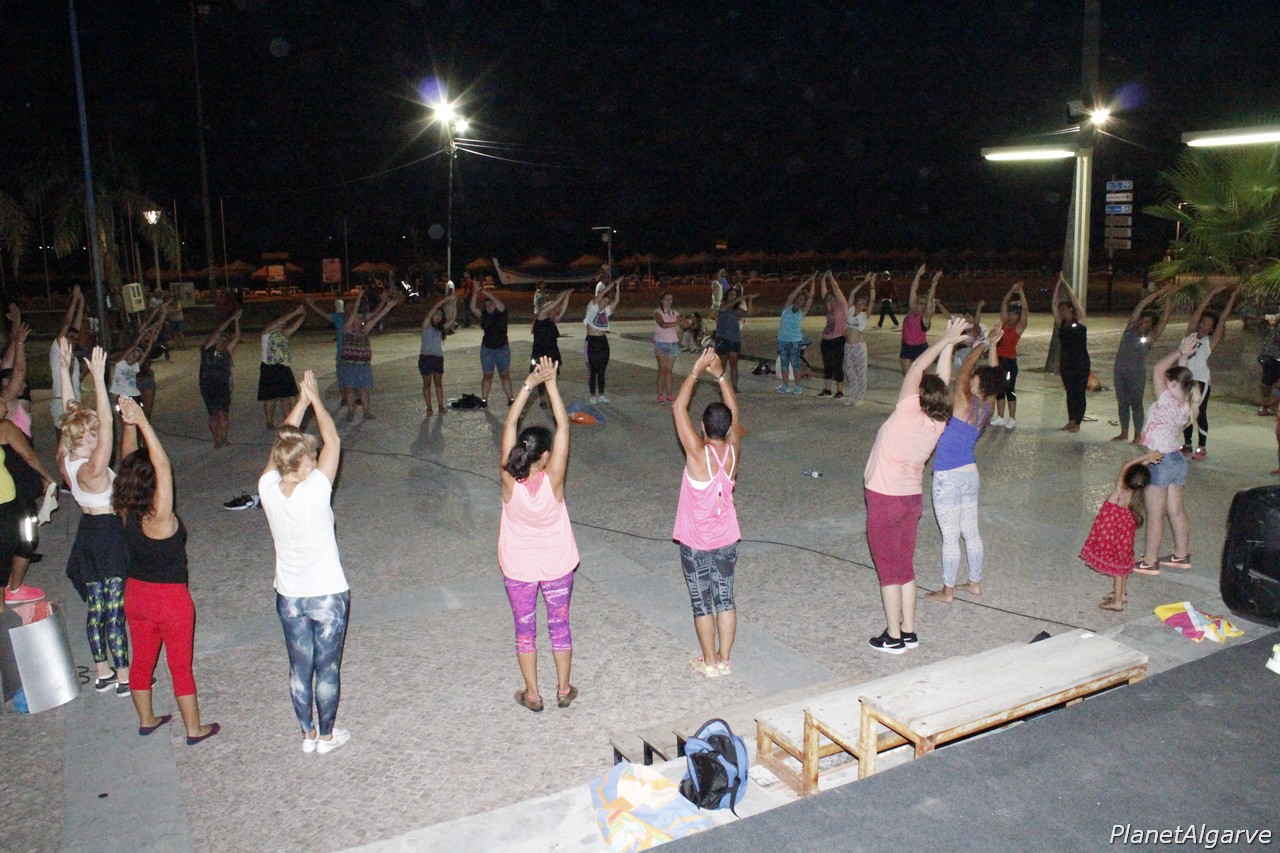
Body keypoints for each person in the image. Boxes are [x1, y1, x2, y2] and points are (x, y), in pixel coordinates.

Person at [113, 398, 219, 743]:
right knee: (179, 666)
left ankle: (147, 719)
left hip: (136, 594)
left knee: (141, 661)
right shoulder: (160, 516)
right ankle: (194, 729)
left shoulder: (127, 507)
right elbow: (162, 464)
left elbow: (128, 460)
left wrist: (128, 423)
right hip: (169, 599)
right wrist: (143, 422)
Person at [259, 371, 352, 754]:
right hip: (326, 594)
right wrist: (315, 400)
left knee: (299, 667)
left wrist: (299, 404)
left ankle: (307, 735)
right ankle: (327, 737)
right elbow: (334, 440)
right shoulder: (315, 489)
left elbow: (278, 447)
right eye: (310, 457)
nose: (315, 460)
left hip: (290, 596)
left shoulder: (267, 487)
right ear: (301, 465)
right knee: (327, 668)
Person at [863, 317, 967, 653]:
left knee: (888, 571)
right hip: (910, 500)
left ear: (918, 395)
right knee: (905, 567)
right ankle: (909, 631)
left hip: (885, 498)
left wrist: (944, 340)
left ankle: (893, 636)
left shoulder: (907, 410)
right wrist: (950, 343)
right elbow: (943, 382)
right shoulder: (938, 422)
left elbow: (919, 365)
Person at [499, 356, 579, 712]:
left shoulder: (508, 480)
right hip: (557, 564)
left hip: (518, 568)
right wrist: (551, 384)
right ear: (545, 457)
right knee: (560, 625)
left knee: (524, 629)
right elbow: (563, 427)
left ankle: (532, 695)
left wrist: (529, 384)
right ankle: (563, 689)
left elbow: (510, 422)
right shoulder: (554, 480)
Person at [57, 340, 132, 695]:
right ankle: (124, 677)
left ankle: (102, 673)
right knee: (113, 611)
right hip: (106, 534)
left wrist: (64, 369)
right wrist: (100, 380)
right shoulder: (91, 470)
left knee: (96, 609)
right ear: (80, 438)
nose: (94, 435)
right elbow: (108, 426)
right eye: (88, 433)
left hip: (88, 533)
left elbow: (68, 411)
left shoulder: (66, 460)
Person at [672, 349, 744, 677]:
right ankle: (724, 659)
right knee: (725, 598)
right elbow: (735, 412)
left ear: (701, 426)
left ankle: (709, 662)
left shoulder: (698, 454)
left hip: (696, 542)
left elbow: (678, 407)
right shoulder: (733, 452)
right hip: (727, 538)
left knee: (702, 602)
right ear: (728, 429)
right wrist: (720, 375)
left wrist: (695, 371)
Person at [925, 327, 1004, 604]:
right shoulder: (987, 406)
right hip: (970, 474)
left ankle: (947, 591)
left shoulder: (963, 400)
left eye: (976, 379)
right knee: (971, 532)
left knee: (950, 536)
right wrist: (993, 346)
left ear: (979, 387)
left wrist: (982, 344)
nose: (971, 379)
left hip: (948, 475)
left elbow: (965, 368)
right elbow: (995, 377)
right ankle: (974, 583)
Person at [1135, 339, 1202, 575]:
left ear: (1172, 384)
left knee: (1155, 515)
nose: (1163, 382)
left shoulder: (1166, 401)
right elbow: (1181, 375)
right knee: (1176, 511)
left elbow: (1158, 368)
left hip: (1159, 460)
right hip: (1176, 460)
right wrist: (1185, 357)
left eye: (1167, 381)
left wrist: (1179, 351)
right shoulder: (1188, 404)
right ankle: (1181, 555)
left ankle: (1149, 561)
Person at [1080, 451, 1162, 612]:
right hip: (1123, 541)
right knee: (1122, 564)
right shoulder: (1136, 498)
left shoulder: (1119, 491)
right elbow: (1136, 475)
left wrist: (1147, 457)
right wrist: (1148, 462)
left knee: (1118, 568)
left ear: (1126, 478)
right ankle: (1121, 594)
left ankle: (1117, 603)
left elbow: (1127, 466)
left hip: (1108, 538)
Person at [0, 398, 56, 606]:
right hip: (18, 494)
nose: (5, 405)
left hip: (13, 494)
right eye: (0, 401)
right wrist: (49, 477)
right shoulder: (5, 427)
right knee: (27, 538)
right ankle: (14, 587)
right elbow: (29, 456)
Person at [1111, 283, 1176, 443]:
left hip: (1136, 373)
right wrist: (1159, 293)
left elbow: (1165, 319)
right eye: (1142, 320)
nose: (1143, 323)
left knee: (1136, 404)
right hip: (1120, 371)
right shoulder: (1130, 328)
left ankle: (1138, 435)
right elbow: (1140, 306)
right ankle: (1124, 432)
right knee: (1122, 403)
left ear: (1151, 324)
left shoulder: (1151, 336)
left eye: (1147, 322)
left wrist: (1169, 299)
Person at [1180, 283, 1239, 459]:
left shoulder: (1209, 342)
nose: (1203, 326)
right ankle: (1187, 444)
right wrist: (1212, 292)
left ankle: (1201, 447)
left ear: (1212, 329)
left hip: (1200, 380)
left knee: (1199, 412)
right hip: (1185, 378)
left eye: (1208, 325)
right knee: (1185, 411)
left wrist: (1233, 296)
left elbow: (1223, 319)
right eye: (1202, 323)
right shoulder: (1190, 335)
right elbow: (1198, 312)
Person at [340, 289, 403, 421]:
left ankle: (366, 411)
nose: (360, 321)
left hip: (363, 365)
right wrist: (359, 298)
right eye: (357, 319)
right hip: (349, 365)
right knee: (350, 390)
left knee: (364, 389)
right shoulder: (347, 330)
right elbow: (353, 314)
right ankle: (351, 412)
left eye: (361, 319)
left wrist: (388, 306)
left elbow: (376, 318)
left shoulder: (364, 331)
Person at [258, 306, 306, 430]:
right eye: (282, 322)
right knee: (270, 398)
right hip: (269, 367)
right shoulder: (267, 332)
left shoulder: (283, 334)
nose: (284, 324)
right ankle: (269, 421)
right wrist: (295, 311)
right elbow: (283, 320)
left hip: (284, 367)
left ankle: (288, 420)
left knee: (286, 397)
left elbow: (295, 326)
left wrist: (304, 314)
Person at [199, 310, 243, 447]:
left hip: (223, 386)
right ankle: (216, 440)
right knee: (214, 414)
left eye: (225, 340)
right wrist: (230, 319)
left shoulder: (226, 353)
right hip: (208, 386)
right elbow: (218, 331)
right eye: (220, 339)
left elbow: (236, 337)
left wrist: (236, 321)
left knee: (223, 413)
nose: (223, 341)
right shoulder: (207, 351)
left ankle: (224, 438)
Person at [1053, 274, 1090, 433]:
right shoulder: (1061, 324)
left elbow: (1074, 299)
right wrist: (1057, 285)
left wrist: (1065, 283)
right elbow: (1053, 304)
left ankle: (1078, 422)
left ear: (1070, 310)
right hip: (1066, 361)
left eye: (1064, 309)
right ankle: (1071, 420)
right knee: (1069, 392)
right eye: (1060, 310)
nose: (1061, 312)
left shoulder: (1080, 321)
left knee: (1079, 392)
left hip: (1080, 362)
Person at [991, 282, 1029, 429]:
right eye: (1011, 313)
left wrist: (1021, 292)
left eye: (1015, 314)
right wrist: (1011, 290)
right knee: (999, 390)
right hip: (999, 360)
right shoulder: (1003, 324)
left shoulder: (1018, 328)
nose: (1012, 316)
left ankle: (1012, 418)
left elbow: (1025, 309)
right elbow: (1004, 302)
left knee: (1010, 389)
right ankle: (1000, 417)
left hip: (1010, 362)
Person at [301, 294, 349, 407]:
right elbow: (324, 314)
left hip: (354, 351)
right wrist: (312, 305)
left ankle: (353, 397)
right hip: (342, 351)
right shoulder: (340, 317)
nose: (351, 309)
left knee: (352, 375)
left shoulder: (356, 317)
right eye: (349, 307)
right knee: (342, 375)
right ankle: (344, 397)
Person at [471, 286, 515, 407]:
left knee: (504, 374)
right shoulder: (484, 316)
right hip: (487, 348)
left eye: (491, 304)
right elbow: (473, 308)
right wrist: (475, 293)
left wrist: (482, 290)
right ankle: (484, 400)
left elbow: (497, 301)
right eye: (486, 305)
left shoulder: (502, 312)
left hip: (502, 348)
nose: (488, 306)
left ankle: (510, 398)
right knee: (487, 375)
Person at [50, 286, 85, 436]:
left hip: (75, 400)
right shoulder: (57, 350)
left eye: (75, 339)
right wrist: (74, 301)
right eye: (70, 338)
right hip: (61, 401)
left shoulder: (73, 358)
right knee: (63, 439)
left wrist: (82, 304)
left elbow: (75, 328)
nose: (74, 341)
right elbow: (67, 323)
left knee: (76, 439)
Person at [531, 290, 572, 409]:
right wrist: (561, 295)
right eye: (554, 310)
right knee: (540, 378)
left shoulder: (552, 321)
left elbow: (562, 309)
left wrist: (567, 296)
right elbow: (553, 304)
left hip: (552, 353)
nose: (556, 313)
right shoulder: (541, 317)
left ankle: (552, 399)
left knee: (553, 377)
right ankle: (543, 399)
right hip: (540, 353)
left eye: (556, 311)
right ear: (548, 309)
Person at [583, 278, 621, 404]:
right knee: (592, 370)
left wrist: (618, 287)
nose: (605, 303)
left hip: (602, 341)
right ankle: (592, 394)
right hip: (592, 341)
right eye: (604, 300)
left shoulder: (606, 311)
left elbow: (617, 301)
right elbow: (602, 293)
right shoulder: (592, 308)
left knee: (602, 370)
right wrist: (613, 283)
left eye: (607, 302)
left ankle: (602, 394)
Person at [776, 275, 815, 395]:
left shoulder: (802, 312)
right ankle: (785, 385)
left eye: (802, 300)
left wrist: (813, 281)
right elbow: (794, 293)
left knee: (795, 364)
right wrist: (806, 281)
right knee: (784, 363)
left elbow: (811, 298)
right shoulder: (787, 308)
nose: (800, 301)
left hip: (795, 341)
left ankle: (797, 387)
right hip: (783, 339)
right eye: (799, 298)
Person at [899, 264, 940, 374]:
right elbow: (913, 291)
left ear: (925, 307)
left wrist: (934, 283)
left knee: (920, 376)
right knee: (907, 376)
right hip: (906, 346)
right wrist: (918, 275)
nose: (918, 305)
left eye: (922, 303)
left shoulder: (925, 318)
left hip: (920, 348)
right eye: (917, 302)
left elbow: (930, 300)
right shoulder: (912, 310)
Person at [418, 293, 455, 416]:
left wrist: (454, 304)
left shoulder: (441, 329)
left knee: (438, 384)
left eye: (440, 315)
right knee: (427, 384)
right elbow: (431, 311)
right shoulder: (426, 325)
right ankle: (429, 407)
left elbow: (452, 319)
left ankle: (440, 405)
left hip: (437, 358)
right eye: (436, 314)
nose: (438, 317)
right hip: (425, 358)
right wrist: (444, 300)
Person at [713, 287, 754, 391]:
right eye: (731, 295)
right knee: (722, 364)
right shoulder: (723, 305)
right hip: (723, 338)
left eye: (735, 295)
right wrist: (742, 297)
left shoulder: (737, 310)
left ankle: (734, 386)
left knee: (734, 364)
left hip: (734, 338)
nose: (733, 297)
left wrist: (750, 300)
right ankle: (722, 387)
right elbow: (725, 308)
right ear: (726, 296)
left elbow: (748, 313)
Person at [843, 272, 875, 405]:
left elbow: (872, 301)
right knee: (850, 372)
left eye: (862, 304)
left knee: (861, 373)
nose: (859, 304)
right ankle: (853, 396)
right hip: (848, 346)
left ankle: (860, 397)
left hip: (858, 347)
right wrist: (863, 282)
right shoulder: (850, 311)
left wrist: (871, 284)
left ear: (865, 307)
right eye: (858, 302)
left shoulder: (863, 316)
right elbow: (852, 294)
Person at [817, 272, 848, 399]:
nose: (829, 300)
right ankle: (827, 390)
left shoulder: (842, 306)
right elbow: (824, 293)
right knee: (827, 365)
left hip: (838, 339)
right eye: (828, 299)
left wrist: (830, 277)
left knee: (837, 365)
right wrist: (822, 279)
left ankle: (840, 391)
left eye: (831, 298)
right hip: (826, 340)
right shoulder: (829, 307)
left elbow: (835, 288)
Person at [654, 291, 681, 403]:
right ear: (661, 300)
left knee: (669, 370)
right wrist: (677, 322)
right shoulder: (658, 312)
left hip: (673, 343)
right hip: (661, 343)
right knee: (662, 369)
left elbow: (683, 324)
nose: (669, 301)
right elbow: (662, 324)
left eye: (670, 299)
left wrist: (687, 322)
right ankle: (660, 394)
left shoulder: (675, 313)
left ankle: (669, 394)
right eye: (666, 299)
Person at [1257, 311, 1280, 416]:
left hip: (1270, 358)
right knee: (1267, 384)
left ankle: (1266, 405)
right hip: (1273, 359)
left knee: (1268, 384)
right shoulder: (1275, 327)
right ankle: (1265, 405)